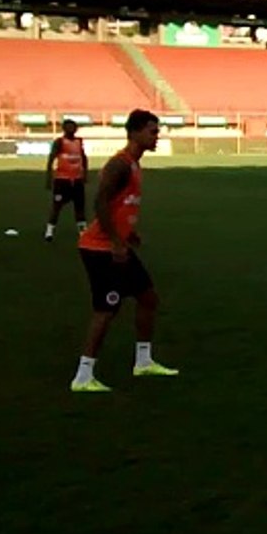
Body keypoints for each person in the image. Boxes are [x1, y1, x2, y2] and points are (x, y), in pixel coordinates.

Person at [71, 109, 178, 392]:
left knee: (148, 297)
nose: (157, 137)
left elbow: (120, 204)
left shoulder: (133, 164)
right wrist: (117, 242)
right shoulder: (120, 164)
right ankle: (83, 376)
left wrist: (129, 233)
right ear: (135, 133)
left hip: (116, 245)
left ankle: (143, 362)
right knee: (106, 310)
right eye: (152, 131)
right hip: (100, 249)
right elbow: (100, 203)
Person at [44, 118, 89, 241]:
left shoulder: (79, 141)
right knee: (56, 206)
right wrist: (48, 177)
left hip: (77, 180)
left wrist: (85, 173)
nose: (72, 129)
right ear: (64, 129)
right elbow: (51, 159)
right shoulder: (59, 142)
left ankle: (83, 232)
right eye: (69, 127)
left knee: (80, 207)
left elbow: (83, 157)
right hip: (62, 180)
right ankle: (49, 231)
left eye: (74, 127)